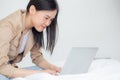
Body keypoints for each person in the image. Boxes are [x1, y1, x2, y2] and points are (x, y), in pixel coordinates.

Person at [0, 0, 61, 79]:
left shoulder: (35, 28)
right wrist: (39, 73)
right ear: (32, 10)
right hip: (2, 69)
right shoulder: (7, 27)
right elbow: (1, 67)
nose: (48, 23)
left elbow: (37, 58)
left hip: (8, 68)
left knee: (47, 73)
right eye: (46, 18)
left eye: (51, 20)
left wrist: (55, 68)